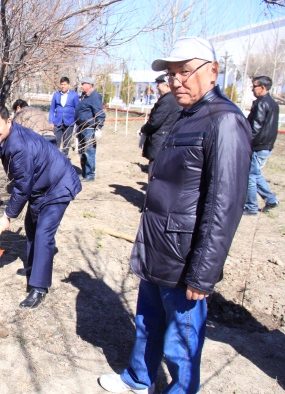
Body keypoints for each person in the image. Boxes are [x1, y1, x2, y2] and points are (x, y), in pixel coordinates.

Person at [98, 37, 252, 394]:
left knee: (181, 342)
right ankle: (138, 379)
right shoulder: (187, 116)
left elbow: (223, 205)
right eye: (172, 73)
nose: (177, 80)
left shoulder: (224, 121)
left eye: (186, 71)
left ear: (213, 71)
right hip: (159, 246)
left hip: (186, 258)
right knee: (147, 322)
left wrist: (204, 272)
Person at [0, 104, 82, 309]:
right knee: (31, 225)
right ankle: (32, 266)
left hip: (58, 185)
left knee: (44, 233)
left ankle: (39, 287)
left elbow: (22, 186)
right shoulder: (6, 137)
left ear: (8, 121)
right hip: (42, 184)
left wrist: (8, 215)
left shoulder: (18, 146)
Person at [243, 75, 280, 215]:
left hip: (258, 145)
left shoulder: (261, 103)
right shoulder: (273, 103)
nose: (253, 89)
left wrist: (246, 141)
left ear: (262, 88)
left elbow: (255, 127)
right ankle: (270, 200)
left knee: (251, 176)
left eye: (254, 87)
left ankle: (251, 207)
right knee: (256, 174)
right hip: (266, 145)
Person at [139, 74, 181, 175]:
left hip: (160, 141)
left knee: (155, 172)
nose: (157, 87)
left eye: (159, 84)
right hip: (168, 140)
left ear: (167, 85)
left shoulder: (166, 101)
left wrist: (143, 130)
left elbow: (155, 122)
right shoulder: (173, 98)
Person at [74, 77, 105, 181]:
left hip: (89, 128)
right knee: (82, 151)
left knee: (89, 151)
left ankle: (90, 174)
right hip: (81, 127)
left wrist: (98, 128)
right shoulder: (84, 96)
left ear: (90, 85)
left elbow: (99, 113)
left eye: (83, 84)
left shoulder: (95, 96)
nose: (81, 86)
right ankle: (84, 173)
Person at [48, 76, 79, 156]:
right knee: (55, 142)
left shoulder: (74, 95)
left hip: (69, 123)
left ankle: (64, 160)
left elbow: (77, 109)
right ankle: (54, 158)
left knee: (66, 143)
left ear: (68, 85)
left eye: (64, 84)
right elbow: (52, 109)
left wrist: (76, 121)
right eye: (61, 84)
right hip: (57, 122)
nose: (63, 86)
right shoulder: (56, 95)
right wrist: (51, 121)